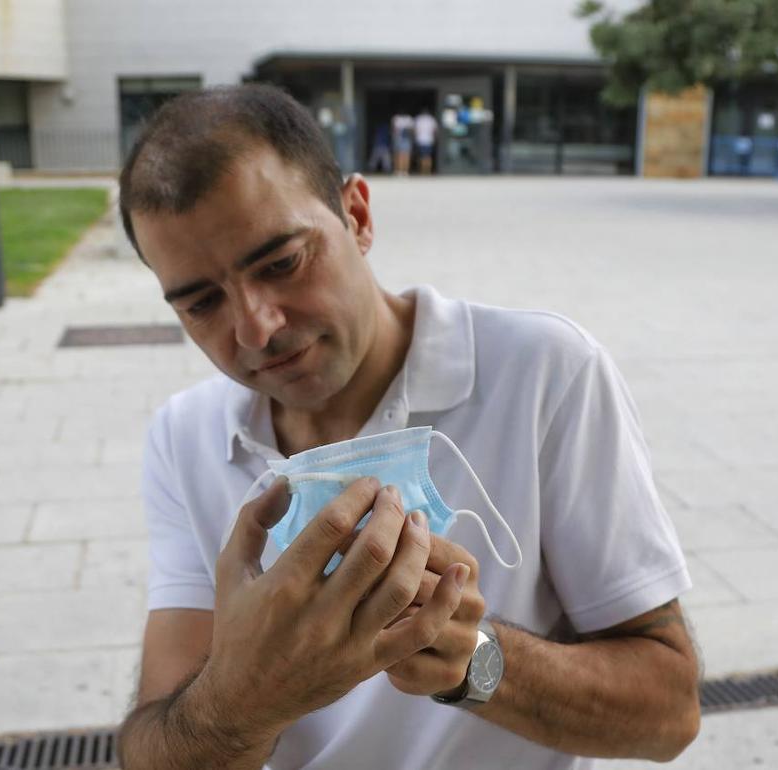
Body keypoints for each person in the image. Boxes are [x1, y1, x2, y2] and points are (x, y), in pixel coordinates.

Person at [116, 84, 700, 770]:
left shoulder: (543, 374)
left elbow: (669, 713)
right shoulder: (186, 436)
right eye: (200, 302)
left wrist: (475, 662)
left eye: (281, 264)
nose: (256, 328)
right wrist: (242, 697)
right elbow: (152, 750)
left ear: (357, 215)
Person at [414, 107, 439, 175]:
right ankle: (427, 171)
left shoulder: (418, 119)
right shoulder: (431, 119)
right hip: (429, 140)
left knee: (421, 156)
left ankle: (422, 171)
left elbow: (415, 131)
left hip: (420, 140)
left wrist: (415, 138)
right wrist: (435, 139)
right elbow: (435, 131)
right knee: (428, 156)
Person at [391, 111, 415, 175]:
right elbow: (412, 130)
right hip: (402, 139)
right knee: (403, 155)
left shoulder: (397, 118)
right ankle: (403, 171)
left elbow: (393, 129)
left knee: (401, 155)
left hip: (402, 139)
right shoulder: (409, 119)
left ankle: (400, 170)